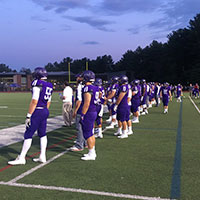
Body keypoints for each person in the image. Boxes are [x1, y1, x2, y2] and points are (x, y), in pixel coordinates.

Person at [8, 67, 53, 165]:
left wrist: (29, 115)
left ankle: (22, 158)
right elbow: (49, 101)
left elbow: (34, 101)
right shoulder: (49, 85)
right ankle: (43, 156)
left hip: (38, 111)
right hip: (45, 110)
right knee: (42, 133)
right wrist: (44, 110)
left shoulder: (37, 84)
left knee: (28, 134)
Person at [80, 70, 99, 160]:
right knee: (90, 133)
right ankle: (92, 152)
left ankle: (91, 153)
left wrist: (83, 114)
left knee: (88, 133)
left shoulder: (87, 88)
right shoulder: (95, 87)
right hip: (93, 111)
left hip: (89, 112)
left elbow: (86, 103)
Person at [68, 73, 86, 151]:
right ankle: (85, 143)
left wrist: (75, 110)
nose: (77, 79)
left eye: (78, 77)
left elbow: (79, 100)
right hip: (89, 109)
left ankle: (79, 144)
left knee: (79, 127)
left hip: (81, 108)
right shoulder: (89, 85)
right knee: (86, 127)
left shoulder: (80, 86)